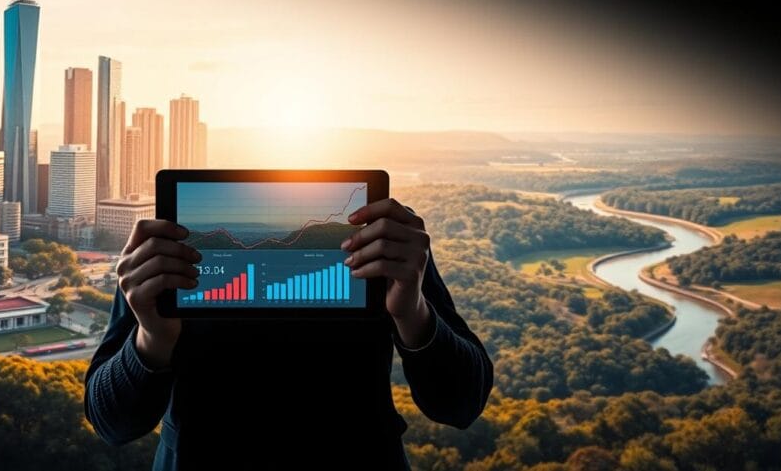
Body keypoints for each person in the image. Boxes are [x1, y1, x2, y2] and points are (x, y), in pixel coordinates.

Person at [84, 198, 493, 470]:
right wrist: (153, 339)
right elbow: (112, 421)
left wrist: (413, 313)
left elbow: (460, 404)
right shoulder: (169, 246)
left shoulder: (382, 243)